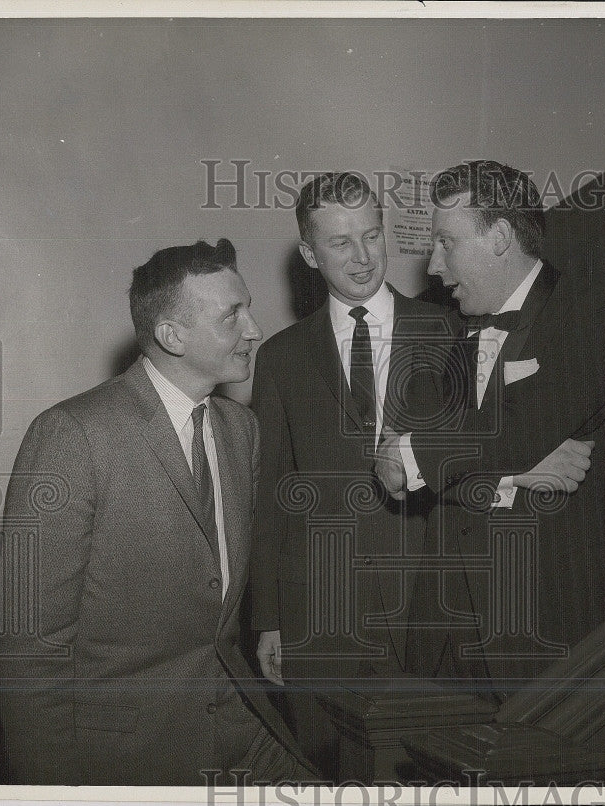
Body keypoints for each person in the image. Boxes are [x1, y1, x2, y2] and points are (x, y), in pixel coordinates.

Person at [0, 239, 313, 785]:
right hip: (121, 757)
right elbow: (27, 644)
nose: (254, 329)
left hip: (236, 726)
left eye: (248, 308)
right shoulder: (72, 435)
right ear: (171, 335)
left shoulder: (240, 431)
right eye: (232, 314)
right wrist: (53, 791)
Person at [376, 160, 605, 701]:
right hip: (444, 626)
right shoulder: (443, 329)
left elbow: (524, 425)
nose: (433, 265)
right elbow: (402, 457)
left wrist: (412, 457)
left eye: (447, 243)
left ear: (499, 238)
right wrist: (516, 476)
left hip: (544, 621)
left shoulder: (599, 308)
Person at [249, 172, 449, 778]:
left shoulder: (447, 333)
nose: (362, 257)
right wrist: (268, 621)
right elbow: (271, 495)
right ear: (310, 254)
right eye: (341, 244)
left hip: (428, 609)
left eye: (372, 235)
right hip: (320, 620)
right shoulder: (281, 358)